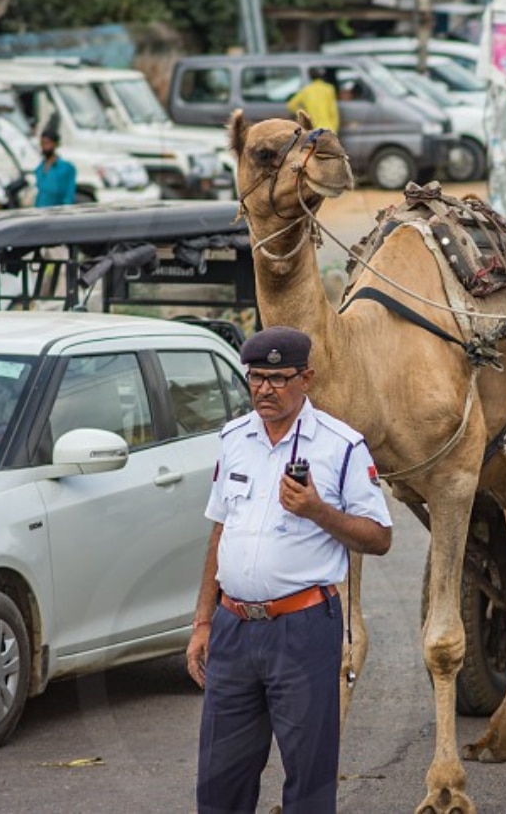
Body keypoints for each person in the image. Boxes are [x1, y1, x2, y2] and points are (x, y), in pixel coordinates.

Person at [187, 326, 392, 814]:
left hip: (302, 628)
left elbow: (380, 537)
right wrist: (202, 622)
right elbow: (220, 534)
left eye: (278, 378)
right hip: (234, 627)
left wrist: (318, 510)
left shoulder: (342, 447)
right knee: (220, 781)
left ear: (307, 379)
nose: (265, 389)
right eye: (256, 377)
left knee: (308, 781)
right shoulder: (234, 438)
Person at [286, 67, 340, 134]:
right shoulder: (329, 89)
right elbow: (333, 112)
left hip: (312, 128)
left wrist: (304, 114)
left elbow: (291, 105)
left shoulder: (306, 90)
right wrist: (334, 129)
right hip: (328, 127)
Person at [34, 128, 77, 207]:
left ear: (55, 144)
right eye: (42, 143)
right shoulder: (39, 169)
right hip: (40, 213)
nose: (44, 147)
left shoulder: (67, 168)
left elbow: (69, 195)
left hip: (57, 213)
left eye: (48, 143)